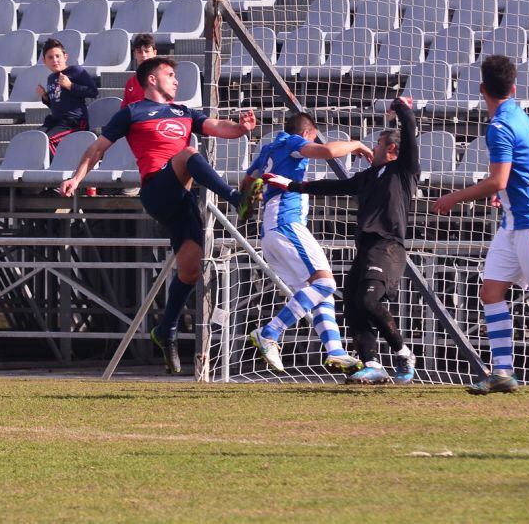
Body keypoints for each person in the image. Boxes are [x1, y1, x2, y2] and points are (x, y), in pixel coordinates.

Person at [58, 56, 257, 375]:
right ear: (151, 80)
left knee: (190, 270)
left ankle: (166, 331)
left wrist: (241, 128)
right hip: (157, 190)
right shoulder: (131, 113)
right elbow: (98, 149)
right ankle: (235, 198)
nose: (176, 80)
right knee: (190, 153)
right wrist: (76, 178)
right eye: (170, 74)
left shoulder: (184, 112)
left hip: (182, 198)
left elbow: (218, 127)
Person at [432, 55, 529, 396]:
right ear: (513, 88)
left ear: (482, 89)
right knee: (491, 291)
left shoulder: (500, 126)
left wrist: (454, 197)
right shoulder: (518, 114)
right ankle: (502, 372)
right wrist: (509, 187)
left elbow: (498, 179)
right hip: (514, 220)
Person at [263, 97, 419, 384]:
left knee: (368, 301)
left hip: (388, 247)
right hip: (365, 249)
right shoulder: (369, 176)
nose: (373, 148)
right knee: (352, 307)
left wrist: (401, 107)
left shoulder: (403, 170)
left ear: (393, 149)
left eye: (379, 143)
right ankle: (372, 364)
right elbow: (333, 186)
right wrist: (293, 185)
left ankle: (403, 352)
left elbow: (409, 128)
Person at [244, 111, 373, 376]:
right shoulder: (292, 143)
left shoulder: (269, 148)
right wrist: (357, 144)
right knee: (326, 283)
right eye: (311, 138)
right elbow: (327, 151)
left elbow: (247, 181)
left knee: (318, 290)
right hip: (286, 223)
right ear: (307, 134)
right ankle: (269, 332)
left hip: (271, 230)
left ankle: (335, 351)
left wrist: (247, 201)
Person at [37, 38, 98, 155]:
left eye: (57, 56)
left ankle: (57, 168)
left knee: (47, 142)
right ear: (44, 61)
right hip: (56, 122)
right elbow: (58, 103)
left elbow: (93, 92)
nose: (55, 60)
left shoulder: (76, 71)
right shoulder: (51, 78)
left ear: (65, 57)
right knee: (36, 139)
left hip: (74, 122)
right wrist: (45, 97)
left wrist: (70, 85)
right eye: (50, 57)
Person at [121, 34, 157, 108]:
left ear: (154, 53)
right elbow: (124, 109)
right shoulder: (131, 83)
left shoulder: (163, 78)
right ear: (134, 54)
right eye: (139, 52)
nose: (143, 55)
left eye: (147, 51)